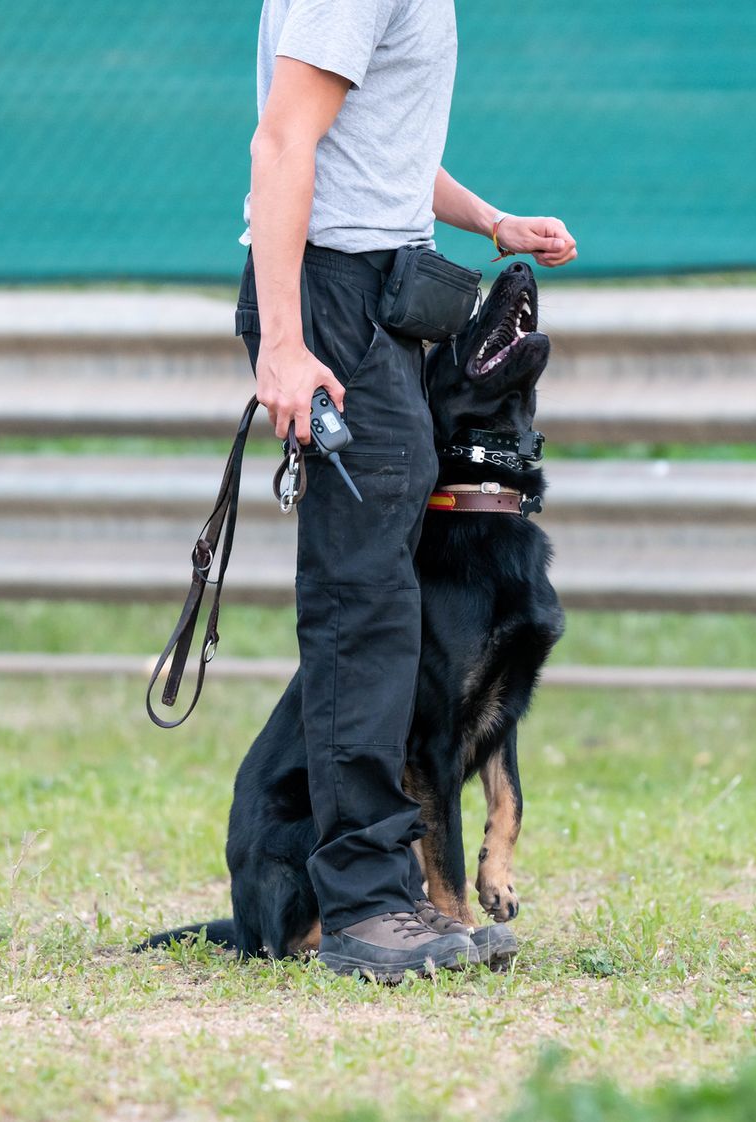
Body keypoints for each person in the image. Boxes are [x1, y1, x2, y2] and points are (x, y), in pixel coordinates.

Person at [235, 0, 577, 980]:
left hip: (371, 289)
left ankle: (390, 893)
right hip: (334, 296)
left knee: (387, 602)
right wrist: (289, 340)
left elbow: (374, 147)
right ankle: (362, 905)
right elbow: (284, 139)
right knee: (365, 607)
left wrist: (490, 222)